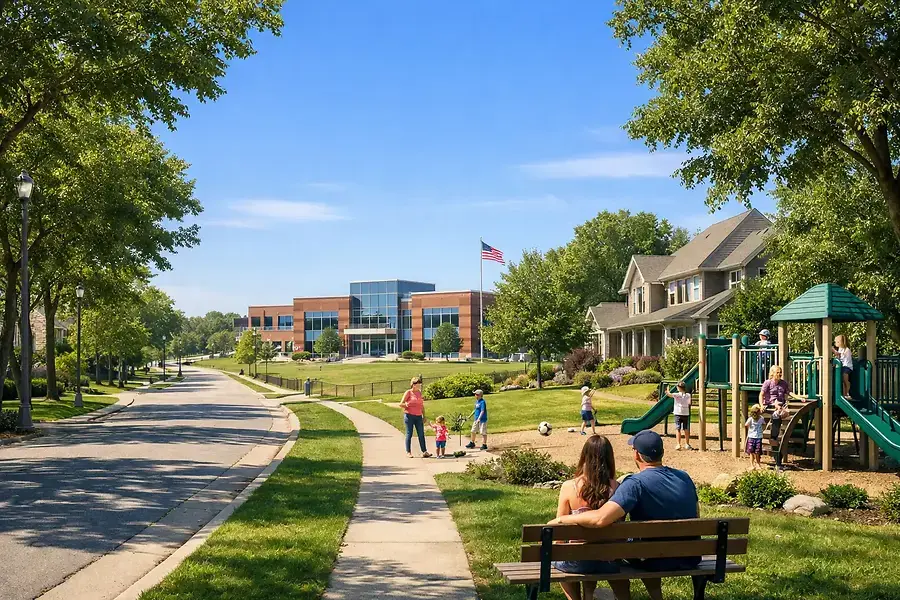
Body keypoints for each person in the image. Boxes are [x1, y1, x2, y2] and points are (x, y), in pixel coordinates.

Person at [550, 430, 700, 600]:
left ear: (637, 454)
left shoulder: (635, 483)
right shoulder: (684, 477)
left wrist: (563, 519)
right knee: (641, 547)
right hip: (691, 557)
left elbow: (600, 519)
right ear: (662, 451)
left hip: (653, 560)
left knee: (645, 549)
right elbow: (696, 513)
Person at [553, 435, 620, 600]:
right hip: (608, 562)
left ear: (584, 457)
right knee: (591, 554)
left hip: (576, 562)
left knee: (565, 557)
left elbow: (559, 534)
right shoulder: (617, 488)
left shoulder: (569, 487)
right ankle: (589, 594)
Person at [399, 376, 432, 458]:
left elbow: (422, 405)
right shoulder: (408, 393)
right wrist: (406, 405)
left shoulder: (419, 393)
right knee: (409, 434)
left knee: (421, 434)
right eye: (418, 384)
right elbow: (401, 404)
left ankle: (424, 451)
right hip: (409, 416)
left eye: (420, 384)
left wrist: (424, 416)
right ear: (413, 384)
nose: (419, 385)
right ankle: (408, 452)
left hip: (418, 416)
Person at [665, 381, 693, 450]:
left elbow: (668, 394)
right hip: (685, 413)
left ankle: (678, 444)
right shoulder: (688, 395)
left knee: (678, 429)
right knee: (686, 428)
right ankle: (687, 444)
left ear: (679, 388)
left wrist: (667, 389)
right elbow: (689, 403)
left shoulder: (676, 395)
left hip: (678, 413)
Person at [769, 400, 791, 471]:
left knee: (779, 450)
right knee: (775, 449)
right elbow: (780, 414)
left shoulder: (778, 415)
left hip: (777, 434)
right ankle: (778, 465)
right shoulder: (775, 414)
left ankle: (779, 464)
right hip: (774, 435)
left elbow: (787, 414)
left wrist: (784, 408)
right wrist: (780, 408)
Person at [745, 404, 766, 468]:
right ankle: (752, 465)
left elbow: (764, 424)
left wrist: (761, 430)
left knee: (757, 452)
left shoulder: (761, 418)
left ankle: (758, 464)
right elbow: (746, 425)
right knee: (752, 452)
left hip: (758, 437)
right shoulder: (751, 419)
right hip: (752, 436)